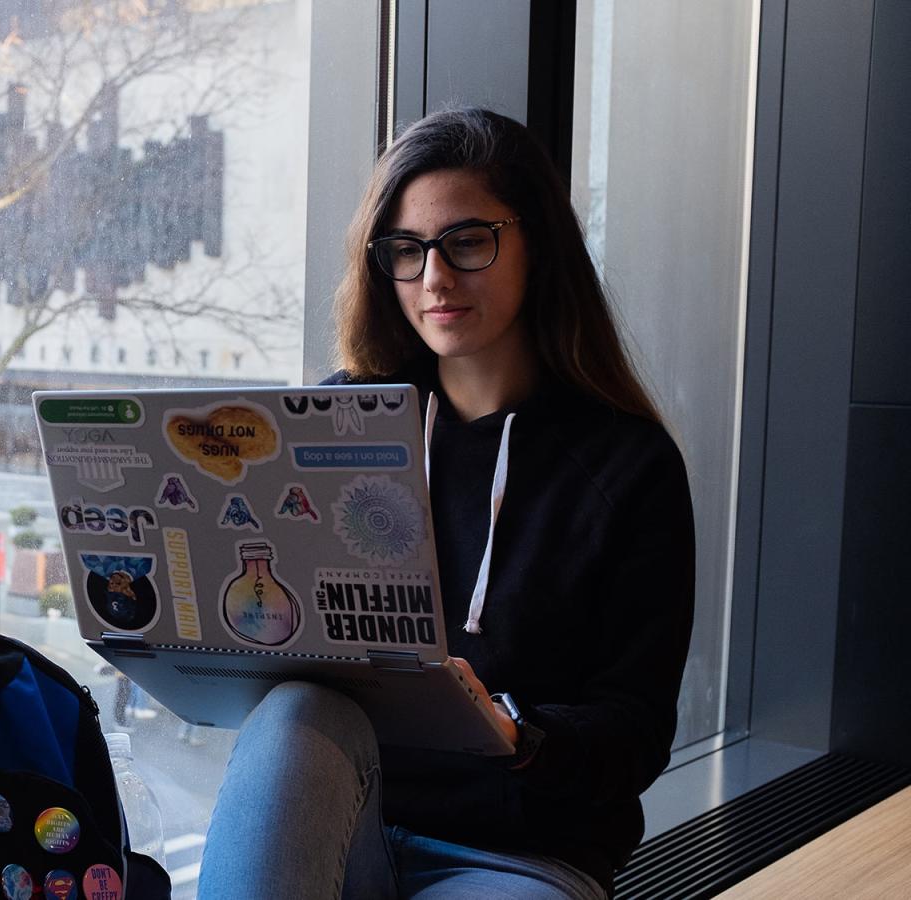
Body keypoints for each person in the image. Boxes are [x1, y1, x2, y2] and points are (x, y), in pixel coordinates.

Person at [198, 108, 694, 899]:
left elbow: (636, 730)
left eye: (467, 242)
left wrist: (517, 735)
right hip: (344, 819)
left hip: (521, 856)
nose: (434, 278)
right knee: (295, 711)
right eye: (406, 250)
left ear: (537, 244)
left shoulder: (627, 466)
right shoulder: (336, 423)